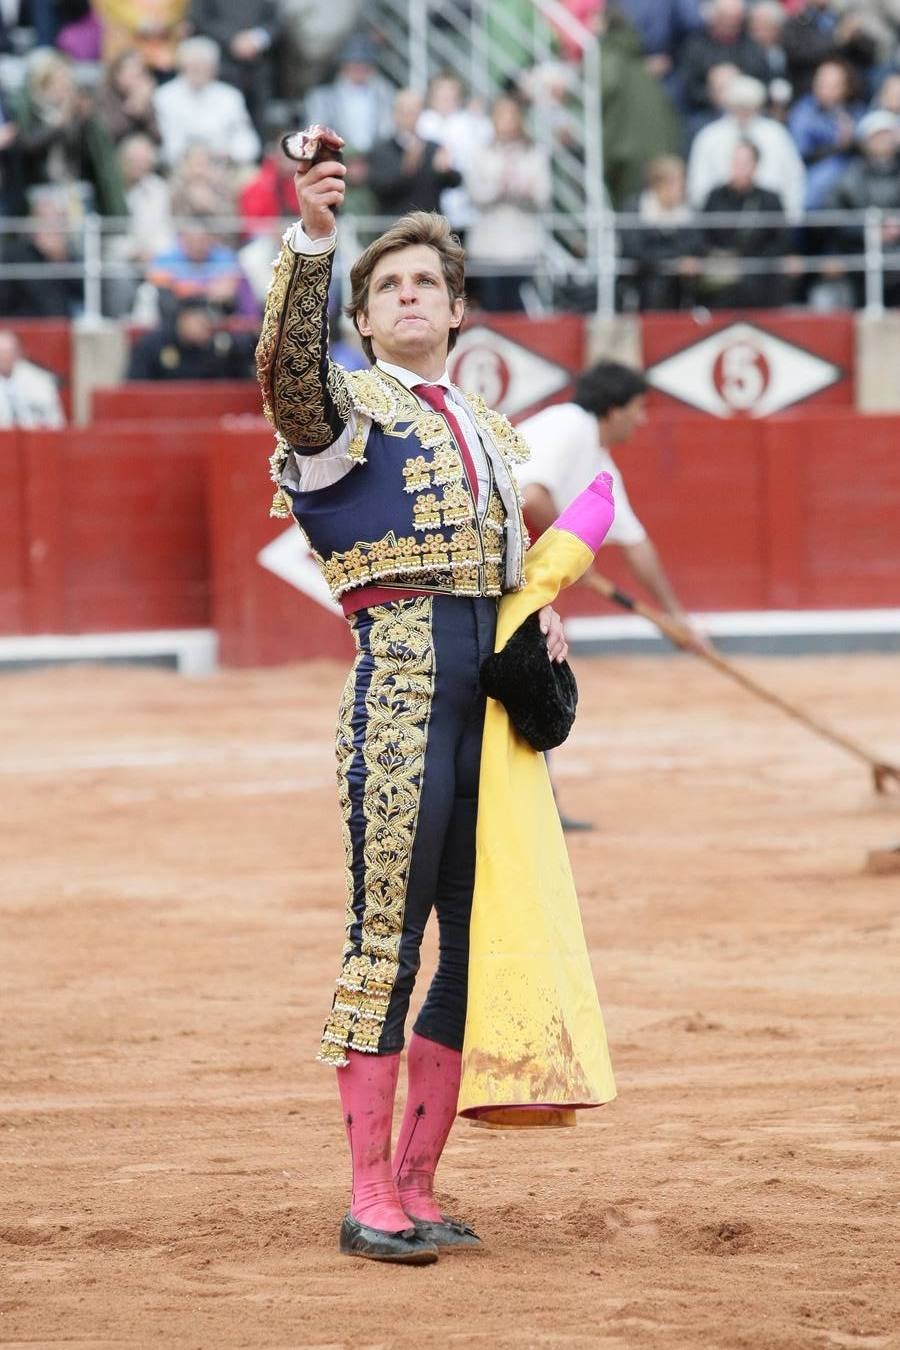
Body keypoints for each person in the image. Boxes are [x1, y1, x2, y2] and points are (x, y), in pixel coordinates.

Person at [256, 135, 568, 1264]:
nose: (406, 296)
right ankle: (365, 1193)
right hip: (395, 690)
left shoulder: (491, 431)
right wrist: (315, 238)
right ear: (365, 313)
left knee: (475, 944)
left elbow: (518, 569)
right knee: (382, 941)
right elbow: (284, 373)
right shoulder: (341, 412)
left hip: (485, 706)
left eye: (424, 282)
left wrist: (545, 615)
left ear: (456, 308)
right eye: (386, 286)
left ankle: (419, 1182)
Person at [515, 359, 709, 831]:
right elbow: (532, 495)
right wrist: (570, 551)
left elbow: (637, 543)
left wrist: (676, 619)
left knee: (533, 680)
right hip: (489, 568)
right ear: (615, 409)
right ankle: (528, 809)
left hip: (517, 575)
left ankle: (538, 806)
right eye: (638, 408)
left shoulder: (596, 458)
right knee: (526, 680)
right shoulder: (571, 425)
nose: (642, 420)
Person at [686, 72, 806, 220]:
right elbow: (698, 183)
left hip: (769, 216)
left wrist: (789, 216)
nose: (743, 113)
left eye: (748, 107)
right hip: (721, 216)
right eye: (738, 106)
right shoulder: (709, 136)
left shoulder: (776, 134)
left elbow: (793, 177)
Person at [698, 139, 792, 308]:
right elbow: (702, 235)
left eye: (744, 163)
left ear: (755, 166)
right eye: (735, 162)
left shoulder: (770, 200)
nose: (738, 168)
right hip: (721, 268)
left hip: (759, 270)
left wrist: (751, 263)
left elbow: (780, 241)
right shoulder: (715, 197)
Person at [367, 87, 463, 221]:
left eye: (414, 112)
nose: (409, 117)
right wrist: (406, 169)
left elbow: (455, 182)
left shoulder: (433, 148)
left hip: (429, 230)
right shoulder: (381, 149)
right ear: (394, 114)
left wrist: (446, 171)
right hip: (395, 230)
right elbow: (379, 188)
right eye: (404, 112)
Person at [126, 295, 254, 379]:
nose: (207, 328)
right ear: (184, 318)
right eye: (201, 322)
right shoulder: (152, 345)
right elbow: (135, 388)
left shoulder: (216, 348)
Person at [0, 330, 65, 427]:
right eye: (1, 352)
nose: (5, 357)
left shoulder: (40, 381)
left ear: (18, 353)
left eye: (8, 352)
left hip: (36, 439)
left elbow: (56, 422)